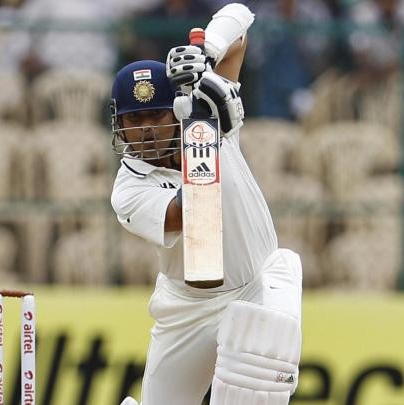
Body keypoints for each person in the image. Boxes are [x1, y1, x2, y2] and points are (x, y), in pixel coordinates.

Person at [109, 4, 303, 405]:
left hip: (255, 288)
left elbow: (240, 19)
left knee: (255, 389)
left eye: (156, 115)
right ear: (119, 124)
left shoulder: (207, 115)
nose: (146, 129)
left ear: (174, 110)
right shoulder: (128, 188)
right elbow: (192, 213)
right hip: (186, 310)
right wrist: (208, 126)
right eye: (134, 119)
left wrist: (206, 54)